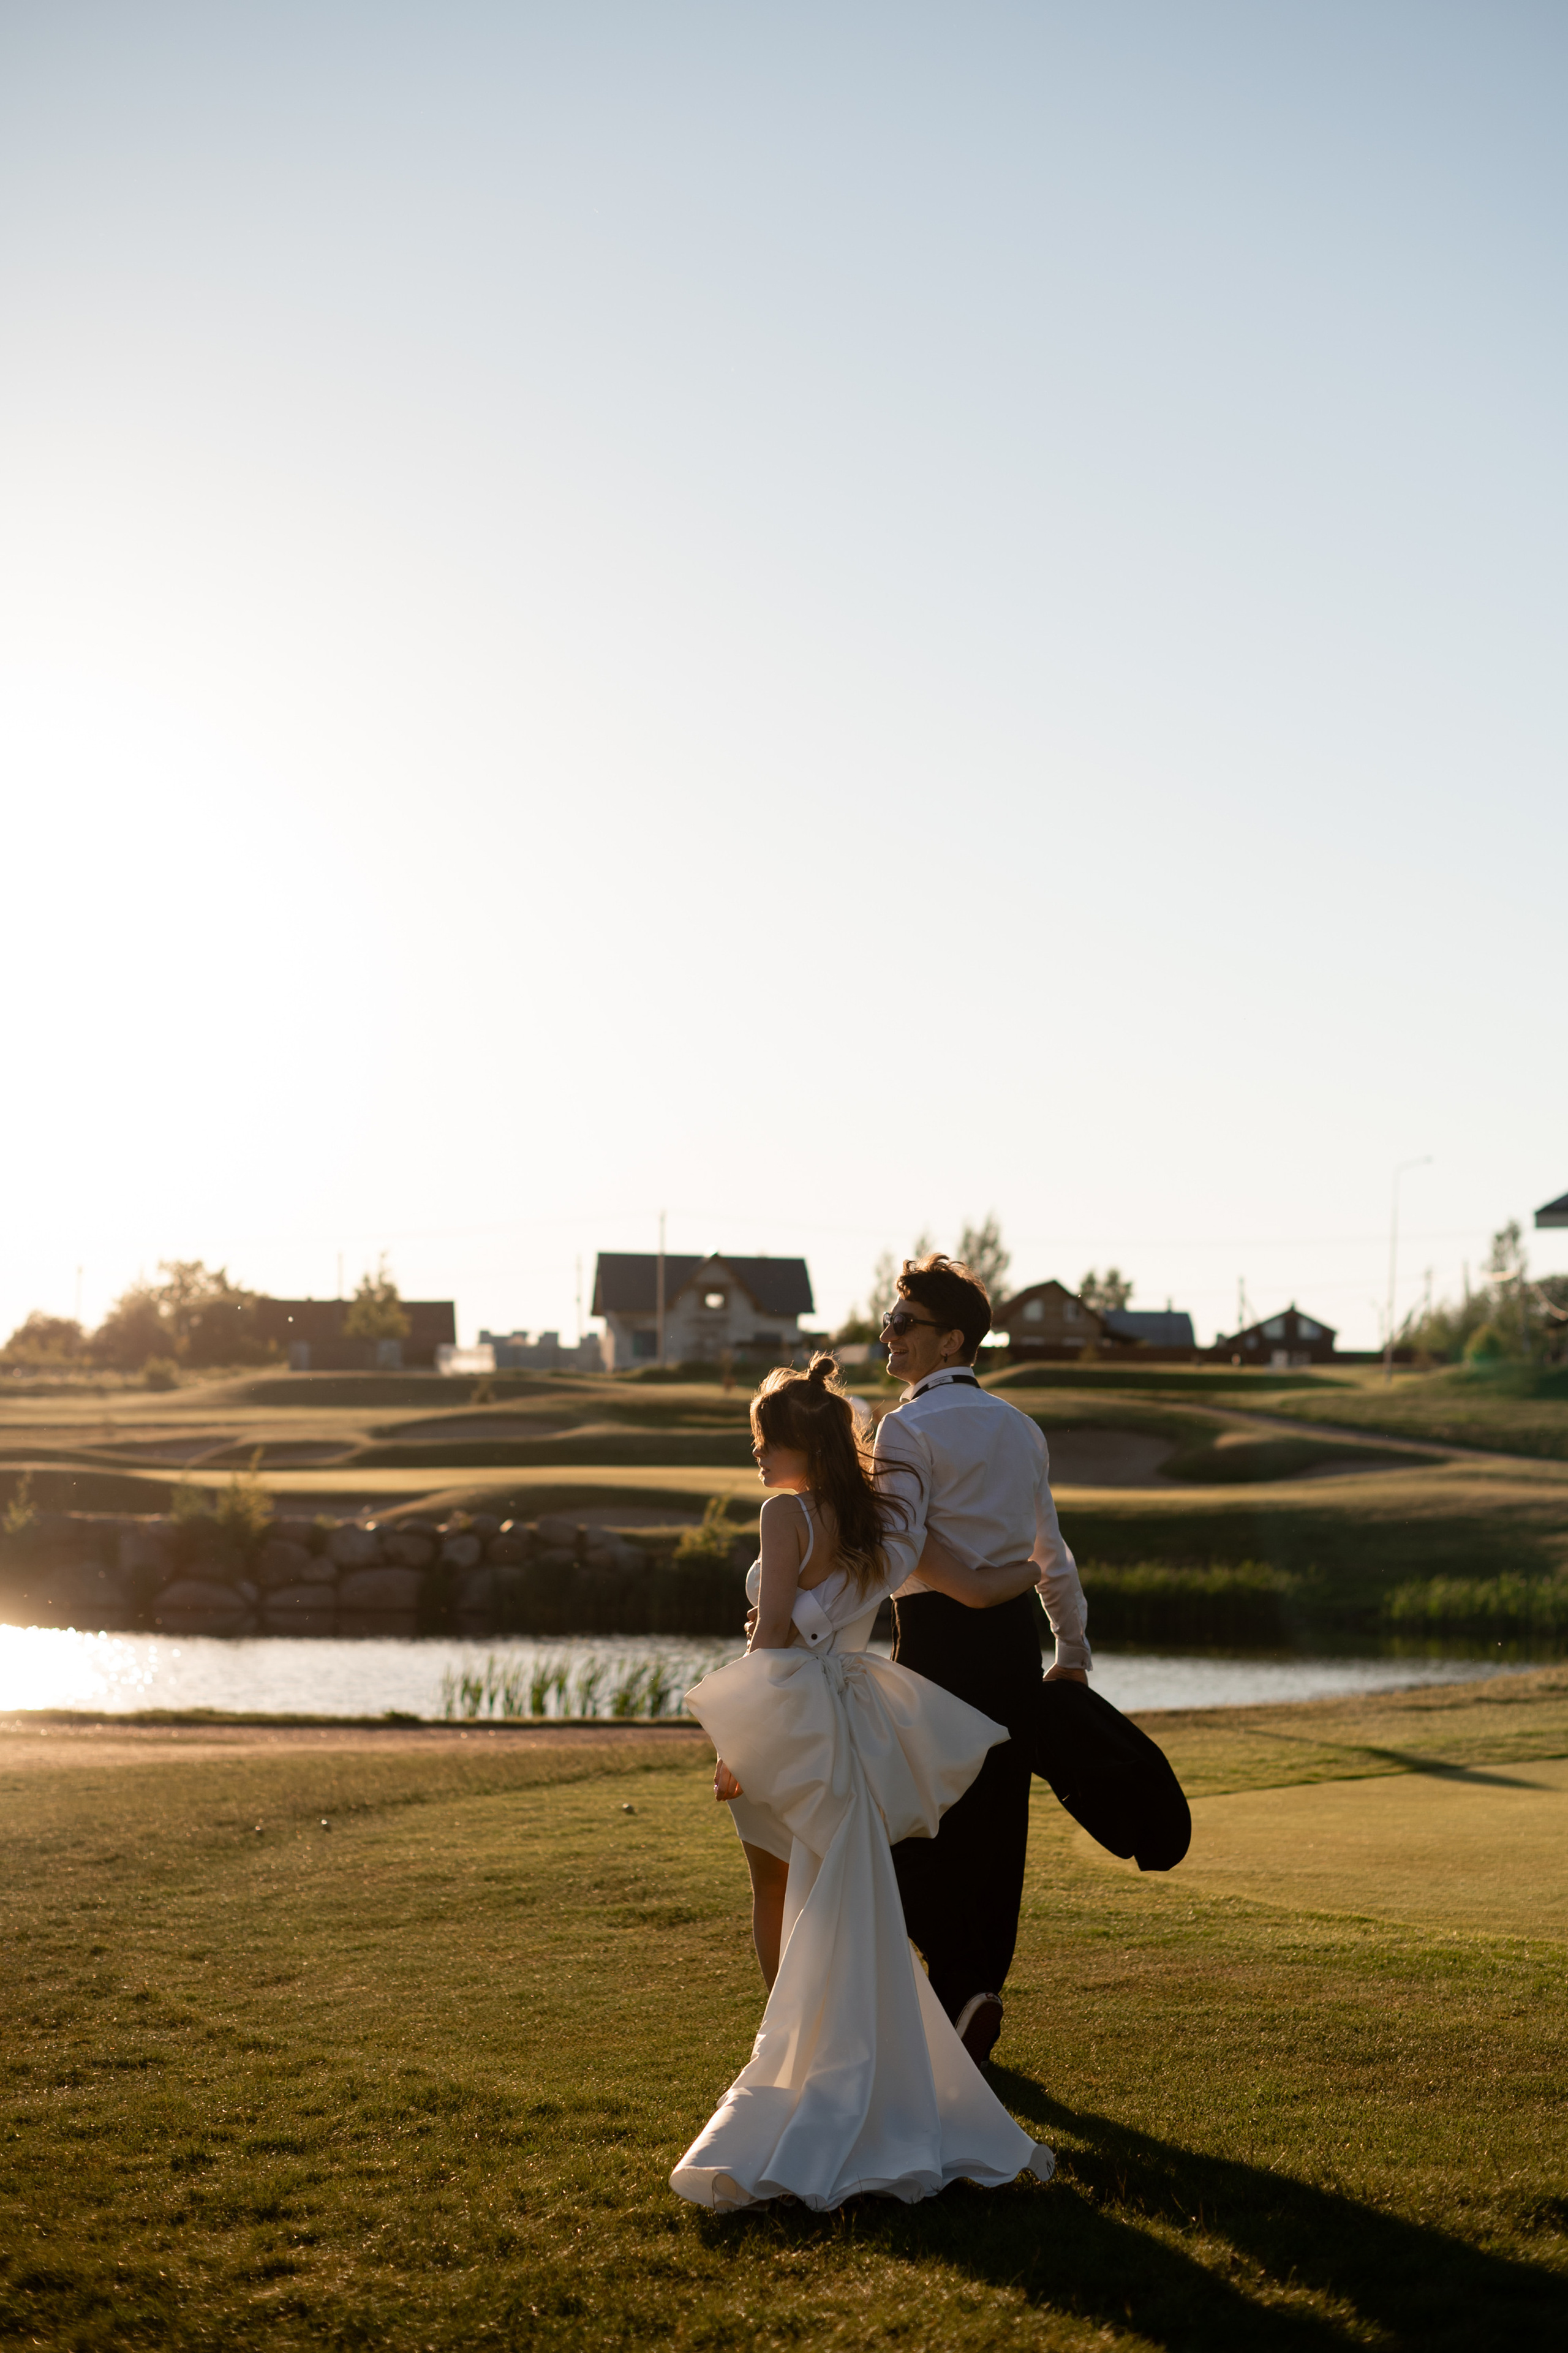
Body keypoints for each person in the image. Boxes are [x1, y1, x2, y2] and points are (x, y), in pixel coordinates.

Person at [670, 1356, 1052, 2212]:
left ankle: (792, 2060)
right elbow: (981, 1582)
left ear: (799, 1442)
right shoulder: (879, 1524)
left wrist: (738, 1737)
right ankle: (830, 2055)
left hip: (790, 1720)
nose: (758, 1460)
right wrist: (1042, 1569)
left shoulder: (783, 1514)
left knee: (774, 1887)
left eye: (764, 1442)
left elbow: (769, 1639)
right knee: (834, 1894)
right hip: (848, 1724)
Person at [873, 1253, 1091, 2068]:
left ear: (950, 1338)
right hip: (1012, 1647)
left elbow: (897, 1555)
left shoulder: (906, 1427)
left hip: (934, 1642)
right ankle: (975, 1993)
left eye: (904, 1323)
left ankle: (959, 1989)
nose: (888, 1335)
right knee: (996, 1827)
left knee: (909, 1821)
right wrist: (1071, 1647)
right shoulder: (1019, 1427)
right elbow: (1051, 1549)